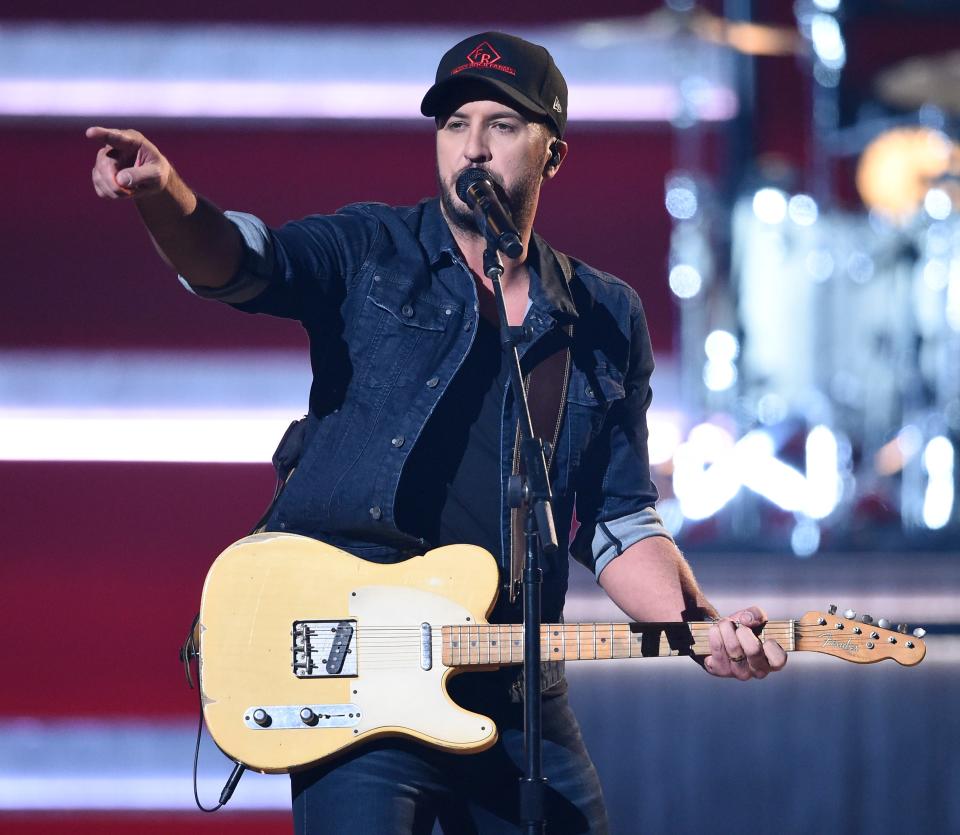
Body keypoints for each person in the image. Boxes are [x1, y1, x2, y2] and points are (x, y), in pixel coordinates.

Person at [87, 30, 786, 835]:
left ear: (552, 153)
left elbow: (619, 520)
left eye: (502, 125)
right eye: (454, 124)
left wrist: (702, 629)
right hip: (363, 676)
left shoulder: (602, 316)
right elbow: (246, 264)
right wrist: (166, 195)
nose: (474, 148)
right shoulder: (373, 252)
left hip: (516, 684)